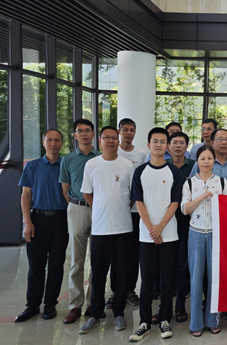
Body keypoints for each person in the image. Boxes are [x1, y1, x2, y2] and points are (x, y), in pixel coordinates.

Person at [129, 127, 185, 342]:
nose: (159, 145)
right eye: (155, 141)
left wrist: (160, 226)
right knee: (147, 279)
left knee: (168, 279)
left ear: (167, 146)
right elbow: (139, 202)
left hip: (169, 234)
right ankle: (144, 322)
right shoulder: (140, 171)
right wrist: (152, 228)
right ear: (149, 144)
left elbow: (175, 202)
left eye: (163, 141)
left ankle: (164, 319)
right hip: (147, 236)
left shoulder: (174, 171)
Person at [79, 126, 135, 334]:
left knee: (121, 271)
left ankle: (119, 312)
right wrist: (101, 209)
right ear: (99, 141)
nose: (111, 141)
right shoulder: (92, 164)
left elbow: (132, 196)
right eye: (107, 138)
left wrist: (118, 209)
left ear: (118, 141)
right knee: (98, 271)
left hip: (123, 227)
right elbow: (87, 194)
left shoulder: (127, 165)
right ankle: (95, 313)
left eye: (114, 138)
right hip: (100, 228)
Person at [16, 129, 69, 323]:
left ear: (61, 143)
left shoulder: (66, 165)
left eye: (57, 140)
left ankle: (50, 304)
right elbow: (26, 195)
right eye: (49, 140)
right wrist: (27, 222)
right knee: (36, 266)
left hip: (61, 220)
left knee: (56, 264)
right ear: (43, 142)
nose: (53, 143)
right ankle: (32, 305)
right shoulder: (32, 166)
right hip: (37, 220)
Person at [182, 145, 227, 336]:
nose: (206, 162)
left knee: (214, 279)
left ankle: (212, 320)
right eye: (202, 158)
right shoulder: (189, 183)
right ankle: (196, 323)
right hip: (195, 233)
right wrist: (202, 196)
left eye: (209, 158)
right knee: (195, 279)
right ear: (197, 161)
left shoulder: (222, 182)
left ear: (214, 161)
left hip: (216, 234)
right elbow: (184, 209)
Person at [59, 118, 100, 325]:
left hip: (100, 211)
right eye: (80, 131)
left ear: (93, 134)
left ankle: (94, 303)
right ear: (75, 135)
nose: (84, 134)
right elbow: (65, 190)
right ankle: (75, 305)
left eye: (87, 130)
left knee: (97, 259)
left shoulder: (102, 157)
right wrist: (78, 206)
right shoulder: (67, 160)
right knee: (76, 260)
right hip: (77, 209)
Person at [112, 118, 147, 309]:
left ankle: (130, 290)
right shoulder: (113, 151)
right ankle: (115, 291)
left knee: (132, 254)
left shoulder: (140, 154)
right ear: (119, 131)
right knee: (116, 254)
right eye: (125, 129)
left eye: (132, 130)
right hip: (115, 211)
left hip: (134, 212)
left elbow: (140, 182)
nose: (128, 133)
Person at [169, 132, 196, 324]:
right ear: (168, 146)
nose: (178, 146)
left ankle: (180, 304)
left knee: (182, 263)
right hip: (164, 220)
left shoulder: (193, 165)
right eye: (174, 142)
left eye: (182, 143)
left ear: (187, 146)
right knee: (164, 264)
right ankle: (164, 306)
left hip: (186, 220)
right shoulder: (162, 165)